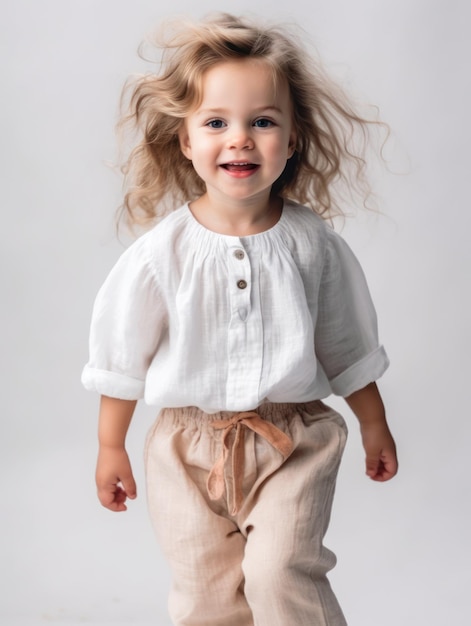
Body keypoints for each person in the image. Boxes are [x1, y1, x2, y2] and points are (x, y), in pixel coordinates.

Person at [82, 13, 398, 626]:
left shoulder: (313, 245)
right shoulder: (160, 254)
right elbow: (122, 358)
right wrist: (109, 445)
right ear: (185, 140)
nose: (240, 139)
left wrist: (375, 423)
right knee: (207, 593)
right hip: (183, 449)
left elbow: (347, 344)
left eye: (262, 121)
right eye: (216, 123)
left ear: (294, 136)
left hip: (293, 443)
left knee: (280, 573)